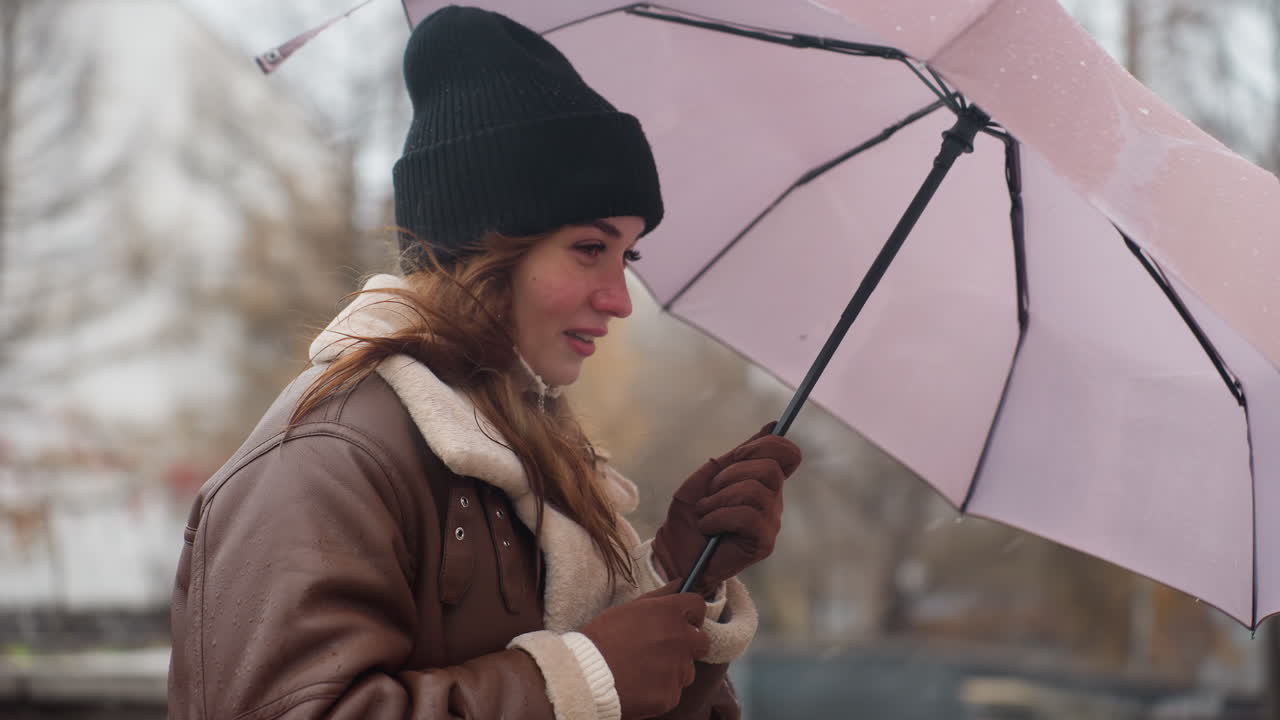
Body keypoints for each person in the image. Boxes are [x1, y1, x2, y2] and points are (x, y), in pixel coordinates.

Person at [167, 6, 802, 720]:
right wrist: (578, 681)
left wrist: (688, 570)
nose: (621, 298)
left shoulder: (523, 454)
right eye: (590, 249)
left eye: (629, 256)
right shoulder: (332, 453)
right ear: (483, 248)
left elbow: (608, 684)